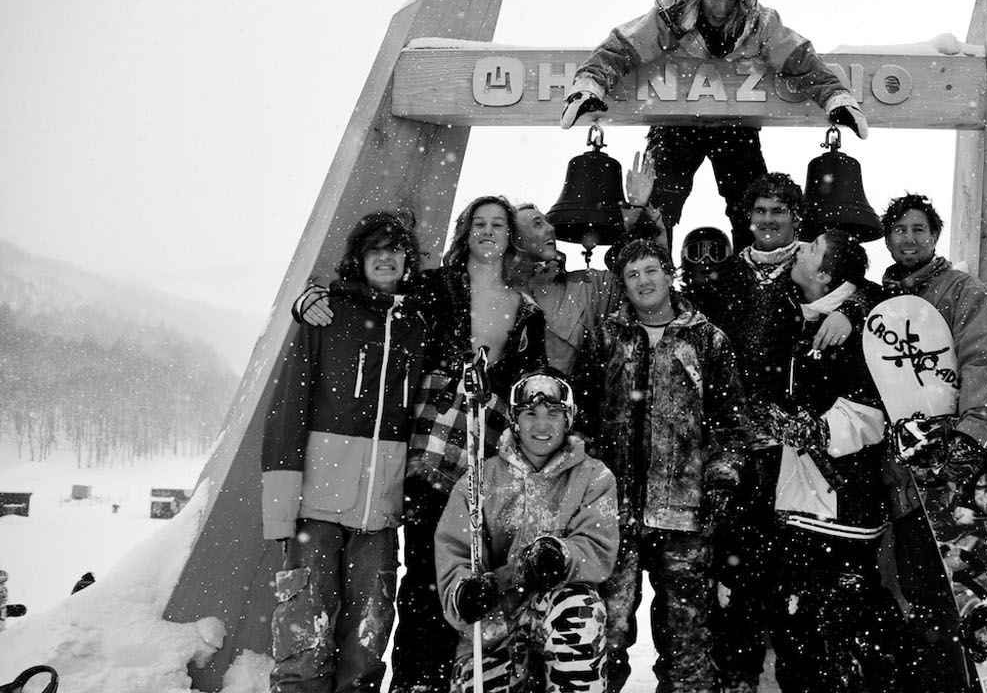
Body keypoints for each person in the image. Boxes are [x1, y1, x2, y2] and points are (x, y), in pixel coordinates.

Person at [294, 196, 549, 693]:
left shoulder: (528, 310)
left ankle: (448, 677)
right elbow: (372, 295)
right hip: (428, 447)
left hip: (484, 454)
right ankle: (415, 681)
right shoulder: (433, 288)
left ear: (511, 237)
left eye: (499, 224)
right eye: (479, 223)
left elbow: (527, 386)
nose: (489, 231)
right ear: (465, 232)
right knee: (422, 576)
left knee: (465, 574)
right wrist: (312, 297)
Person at [560, 0, 869, 253]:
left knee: (750, 203)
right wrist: (590, 84)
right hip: (675, 121)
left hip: (735, 123)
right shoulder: (671, 16)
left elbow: (800, 60)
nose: (720, 9)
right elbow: (622, 48)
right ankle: (653, 267)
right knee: (661, 200)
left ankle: (755, 274)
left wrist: (835, 97)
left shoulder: (759, 23)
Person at [684, 172, 860, 693]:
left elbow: (863, 287)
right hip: (734, 443)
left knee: (792, 575)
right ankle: (737, 676)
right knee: (733, 572)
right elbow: (683, 306)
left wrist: (849, 312)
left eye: (777, 212)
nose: (766, 221)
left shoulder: (814, 270)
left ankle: (791, 675)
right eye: (758, 212)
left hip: (793, 448)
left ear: (796, 218)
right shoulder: (729, 272)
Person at [880, 193, 987, 689]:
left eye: (919, 229)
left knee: (966, 585)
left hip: (952, 467)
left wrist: (972, 431)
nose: (909, 238)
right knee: (921, 591)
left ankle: (974, 675)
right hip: (904, 473)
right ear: (887, 238)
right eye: (899, 229)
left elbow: (983, 360)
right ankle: (943, 679)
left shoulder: (960, 290)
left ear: (934, 236)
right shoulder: (881, 302)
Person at [262, 211, 428, 693]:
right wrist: (280, 509)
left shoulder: (417, 324)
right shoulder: (327, 313)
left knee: (368, 634)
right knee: (303, 632)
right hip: (316, 506)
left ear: (407, 260)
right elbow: (289, 406)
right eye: (375, 248)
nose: (385, 257)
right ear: (358, 257)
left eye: (395, 249)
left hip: (379, 511)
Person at [571, 239, 748, 693]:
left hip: (686, 514)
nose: (643, 281)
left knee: (687, 636)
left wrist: (721, 481)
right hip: (613, 512)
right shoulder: (606, 337)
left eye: (651, 270)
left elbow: (730, 424)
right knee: (604, 631)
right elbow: (583, 417)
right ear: (623, 286)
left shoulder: (708, 339)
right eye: (632, 275)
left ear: (669, 275)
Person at [760, 229, 906, 692]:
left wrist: (816, 431)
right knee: (797, 624)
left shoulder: (861, 328)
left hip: (841, 505)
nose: (799, 248)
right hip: (799, 505)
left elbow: (873, 411)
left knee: (845, 626)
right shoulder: (798, 313)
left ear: (824, 274)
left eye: (812, 249)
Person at [433, 370, 619, 693]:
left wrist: (562, 556)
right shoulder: (479, 481)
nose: (542, 425)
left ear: (569, 419)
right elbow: (454, 555)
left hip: (558, 612)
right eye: (531, 414)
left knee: (580, 610)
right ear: (515, 420)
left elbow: (597, 547)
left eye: (554, 414)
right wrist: (465, 593)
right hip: (494, 625)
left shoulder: (594, 477)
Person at [509, 151, 668, 376]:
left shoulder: (588, 286)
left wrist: (636, 212)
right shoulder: (496, 294)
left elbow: (649, 284)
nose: (551, 227)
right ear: (514, 241)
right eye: (537, 223)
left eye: (546, 220)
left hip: (578, 406)